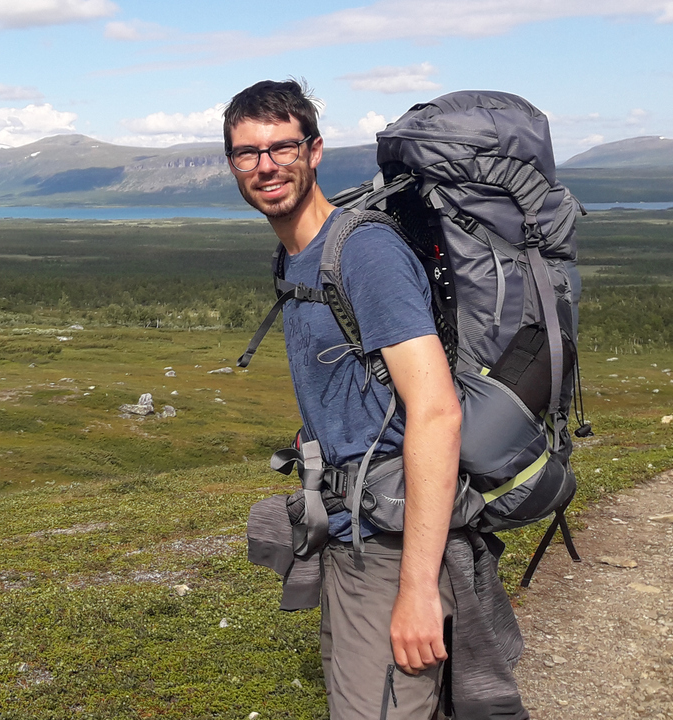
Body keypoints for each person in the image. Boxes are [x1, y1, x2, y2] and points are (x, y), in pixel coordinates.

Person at [224, 79, 464, 719]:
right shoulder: (295, 256)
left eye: (283, 147)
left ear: (315, 150)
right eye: (248, 153)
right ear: (232, 164)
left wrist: (417, 589)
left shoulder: (364, 253)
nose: (266, 166)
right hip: (345, 531)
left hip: (389, 545)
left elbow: (437, 411)